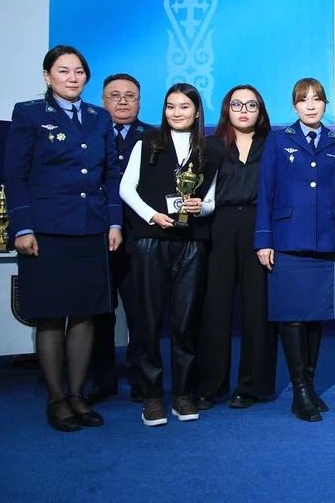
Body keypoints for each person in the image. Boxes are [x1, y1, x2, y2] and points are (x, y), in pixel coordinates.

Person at [4, 45, 122, 431]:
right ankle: (57, 400)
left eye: (78, 72)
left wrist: (114, 223)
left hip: (90, 228)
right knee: (51, 316)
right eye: (63, 70)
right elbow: (15, 175)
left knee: (85, 314)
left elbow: (110, 175)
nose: (72, 78)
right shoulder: (30, 114)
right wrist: (23, 227)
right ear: (47, 76)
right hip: (46, 230)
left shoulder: (99, 117)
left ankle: (77, 396)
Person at [254, 78, 335, 423]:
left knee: (315, 316)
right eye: (303, 100)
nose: (310, 105)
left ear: (326, 105)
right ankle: (299, 390)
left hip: (325, 238)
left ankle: (308, 386)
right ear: (294, 105)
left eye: (317, 99)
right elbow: (266, 191)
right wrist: (263, 239)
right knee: (292, 316)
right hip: (286, 238)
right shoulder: (278, 140)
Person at [119, 83, 220, 426]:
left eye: (184, 107)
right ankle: (151, 396)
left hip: (192, 243)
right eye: (171, 106)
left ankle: (183, 394)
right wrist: (151, 216)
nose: (177, 113)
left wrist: (199, 207)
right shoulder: (147, 142)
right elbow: (126, 188)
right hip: (151, 240)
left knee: (186, 322)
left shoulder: (210, 150)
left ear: (197, 111)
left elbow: (212, 200)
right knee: (148, 321)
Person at [195, 84, 279, 411]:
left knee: (258, 308)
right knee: (215, 309)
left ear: (261, 111)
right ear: (226, 110)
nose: (244, 111)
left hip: (260, 227)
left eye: (251, 105)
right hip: (219, 227)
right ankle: (211, 386)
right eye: (237, 104)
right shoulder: (211, 145)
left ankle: (252, 386)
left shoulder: (273, 145)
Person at [87, 73, 151, 405]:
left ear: (139, 102)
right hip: (97, 235)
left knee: (141, 312)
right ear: (103, 100)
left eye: (130, 96)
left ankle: (142, 379)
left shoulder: (154, 137)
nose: (123, 101)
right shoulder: (88, 134)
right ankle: (102, 380)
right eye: (115, 95)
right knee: (100, 311)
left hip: (140, 237)